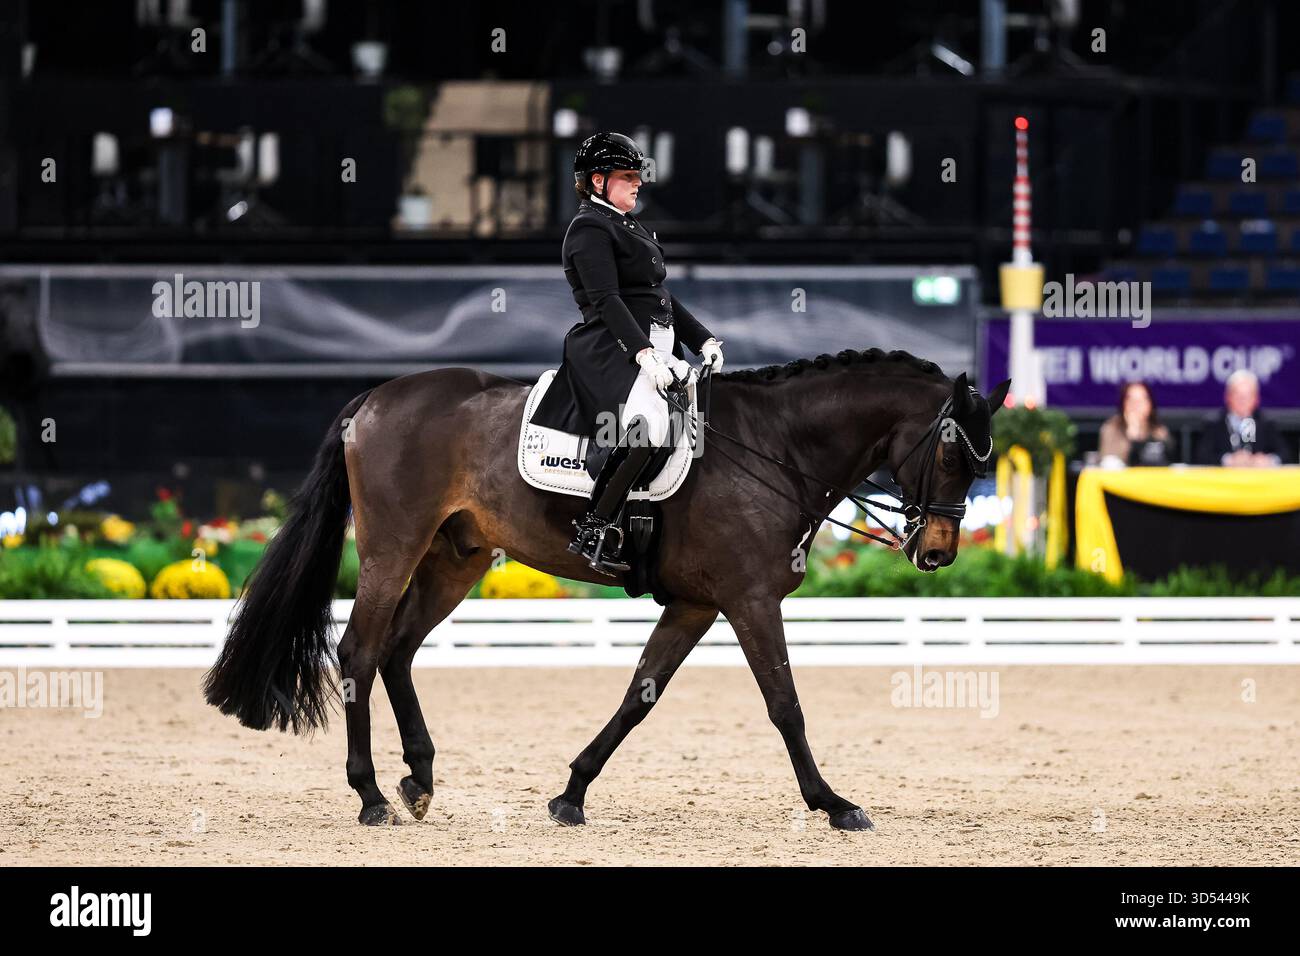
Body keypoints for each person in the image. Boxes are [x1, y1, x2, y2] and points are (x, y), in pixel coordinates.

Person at [529, 132, 725, 575]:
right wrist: (643, 354)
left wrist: (704, 340)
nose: (638, 184)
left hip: (652, 346)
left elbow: (660, 296)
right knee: (650, 426)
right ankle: (594, 528)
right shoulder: (588, 228)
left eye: (639, 176)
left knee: (690, 421)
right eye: (628, 176)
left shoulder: (629, 224)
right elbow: (606, 300)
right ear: (597, 181)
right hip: (608, 347)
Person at [1194, 369, 1290, 466]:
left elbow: (1285, 454)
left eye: (1247, 396)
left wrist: (1268, 460)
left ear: (1256, 399)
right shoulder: (1214, 423)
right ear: (1228, 397)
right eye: (1238, 395)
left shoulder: (1266, 423)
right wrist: (1228, 460)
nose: (1242, 400)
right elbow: (1202, 456)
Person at [1097, 381, 1174, 466]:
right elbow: (1109, 463)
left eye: (1141, 400)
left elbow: (1168, 459)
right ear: (1123, 404)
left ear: (1150, 405)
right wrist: (1132, 434)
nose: (1136, 405)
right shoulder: (1111, 428)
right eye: (1132, 400)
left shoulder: (1158, 431)